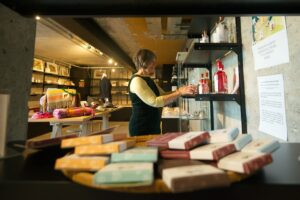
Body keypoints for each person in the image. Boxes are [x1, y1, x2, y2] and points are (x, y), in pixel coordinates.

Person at [128, 49, 197, 136]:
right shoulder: (137, 80)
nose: (154, 64)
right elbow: (155, 101)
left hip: (152, 125)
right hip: (141, 127)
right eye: (152, 62)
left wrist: (182, 90)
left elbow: (163, 94)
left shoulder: (148, 79)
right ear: (144, 62)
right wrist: (179, 92)